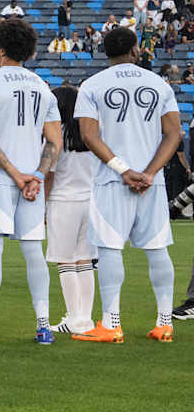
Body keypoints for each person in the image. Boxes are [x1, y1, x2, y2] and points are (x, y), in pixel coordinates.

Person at [71, 27, 179, 344]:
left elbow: (89, 136)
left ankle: (112, 323)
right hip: (152, 183)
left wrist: (124, 170)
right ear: (135, 50)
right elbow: (173, 134)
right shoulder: (159, 84)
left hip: (111, 180)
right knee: (158, 249)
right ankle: (164, 323)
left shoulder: (92, 85)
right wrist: (148, 172)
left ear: (107, 52)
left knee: (109, 249)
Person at [0, 18, 61, 347]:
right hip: (32, 182)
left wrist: (16, 175)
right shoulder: (42, 86)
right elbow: (54, 142)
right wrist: (36, 175)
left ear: (3, 49)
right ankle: (43, 326)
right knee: (34, 251)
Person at [46, 86, 96, 335]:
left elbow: (49, 175)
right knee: (84, 261)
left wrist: (43, 206)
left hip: (63, 200)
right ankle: (85, 319)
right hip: (89, 200)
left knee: (65, 262)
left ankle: (73, 317)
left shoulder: (58, 135)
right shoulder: (90, 134)